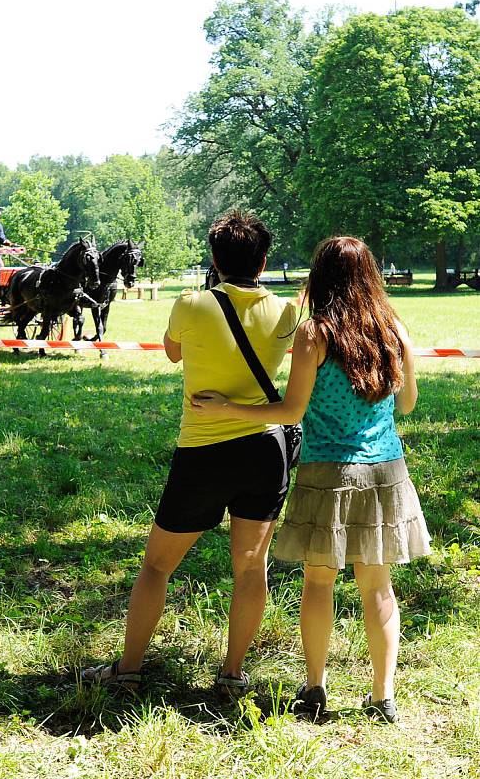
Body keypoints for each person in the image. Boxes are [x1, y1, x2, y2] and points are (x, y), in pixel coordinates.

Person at [192, 235, 431, 722]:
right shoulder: (394, 330)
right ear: (371, 276)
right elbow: (406, 404)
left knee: (318, 585)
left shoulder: (314, 333)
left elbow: (292, 409)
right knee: (378, 588)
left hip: (328, 474)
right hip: (386, 472)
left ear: (319, 276)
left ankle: (316, 688)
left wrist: (229, 407)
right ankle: (383, 697)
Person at [83, 210, 299, 695]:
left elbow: (173, 352)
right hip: (265, 451)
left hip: (203, 451)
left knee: (157, 565)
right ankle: (231, 675)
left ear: (215, 260)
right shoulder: (286, 312)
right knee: (250, 568)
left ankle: (130, 669)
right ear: (263, 262)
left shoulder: (191, 304)